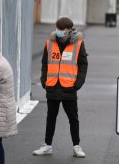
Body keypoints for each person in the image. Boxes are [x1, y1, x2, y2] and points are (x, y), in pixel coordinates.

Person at [33, 17, 88, 158]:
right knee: (50, 117)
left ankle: (77, 146)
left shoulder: (78, 44)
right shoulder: (50, 43)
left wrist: (79, 82)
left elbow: (83, 64)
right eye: (57, 29)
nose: (59, 32)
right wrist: (44, 80)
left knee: (73, 118)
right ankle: (47, 145)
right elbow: (45, 63)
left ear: (69, 30)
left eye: (62, 30)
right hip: (52, 86)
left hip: (69, 87)